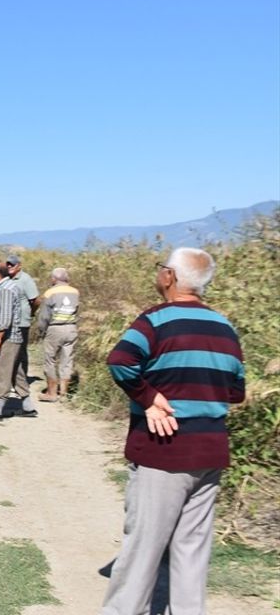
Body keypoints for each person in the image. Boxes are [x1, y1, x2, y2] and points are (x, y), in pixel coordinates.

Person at [100, 248, 246, 615]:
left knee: (143, 548)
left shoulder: (155, 321)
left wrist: (149, 398)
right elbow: (236, 391)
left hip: (163, 450)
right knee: (192, 549)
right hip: (209, 451)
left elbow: (120, 361)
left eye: (161, 269)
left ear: (169, 277)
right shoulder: (223, 326)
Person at [0, 262, 36, 420]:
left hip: (8, 338)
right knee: (17, 372)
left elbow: (5, 317)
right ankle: (28, 407)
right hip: (14, 336)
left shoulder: (6, 290)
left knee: (3, 371)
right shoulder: (9, 286)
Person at [36, 267, 79, 402]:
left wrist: (41, 331)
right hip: (71, 327)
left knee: (50, 360)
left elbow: (44, 316)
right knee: (67, 361)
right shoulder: (75, 292)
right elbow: (76, 309)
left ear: (54, 279)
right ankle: (63, 394)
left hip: (55, 328)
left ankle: (51, 393)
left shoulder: (50, 292)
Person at [6, 254, 40, 396]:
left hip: (21, 322)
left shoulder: (25, 279)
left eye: (12, 264)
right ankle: (11, 381)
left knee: (20, 353)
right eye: (8, 264)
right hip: (9, 321)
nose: (9, 267)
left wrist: (30, 313)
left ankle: (21, 382)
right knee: (9, 352)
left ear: (19, 266)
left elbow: (36, 300)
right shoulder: (7, 279)